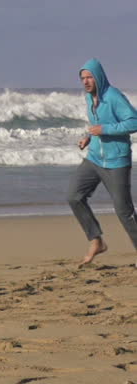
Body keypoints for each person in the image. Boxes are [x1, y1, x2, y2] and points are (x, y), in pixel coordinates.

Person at [68, 58, 137, 266]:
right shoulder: (90, 98)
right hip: (94, 158)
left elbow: (134, 121)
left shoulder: (113, 96)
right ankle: (96, 241)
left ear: (99, 77)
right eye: (83, 78)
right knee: (74, 197)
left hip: (116, 161)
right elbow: (96, 123)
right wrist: (88, 137)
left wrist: (105, 130)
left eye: (89, 77)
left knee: (124, 210)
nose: (86, 82)